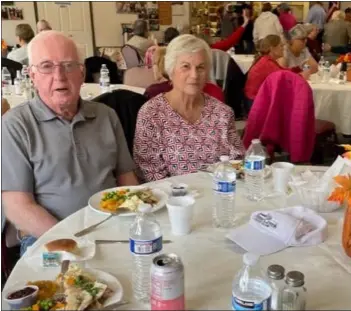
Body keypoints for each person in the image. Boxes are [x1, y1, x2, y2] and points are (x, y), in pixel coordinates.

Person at [1, 31, 139, 255]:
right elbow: (18, 207)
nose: (60, 76)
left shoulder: (106, 116)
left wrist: (136, 221)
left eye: (68, 65)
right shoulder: (15, 125)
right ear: (32, 75)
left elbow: (126, 179)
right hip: (47, 237)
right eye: (46, 66)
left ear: (82, 73)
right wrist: (74, 242)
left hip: (112, 229)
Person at [134, 35, 244, 182]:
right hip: (172, 199)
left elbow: (237, 162)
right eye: (186, 66)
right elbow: (150, 171)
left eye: (201, 67)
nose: (194, 75)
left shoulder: (222, 113)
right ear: (171, 70)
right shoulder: (151, 113)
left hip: (219, 194)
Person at [244, 35, 309, 110]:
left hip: (254, 100)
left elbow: (283, 71)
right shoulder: (267, 63)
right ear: (272, 49)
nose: (283, 48)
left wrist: (300, 68)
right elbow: (286, 79)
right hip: (256, 102)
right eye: (281, 46)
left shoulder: (267, 60)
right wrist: (302, 75)